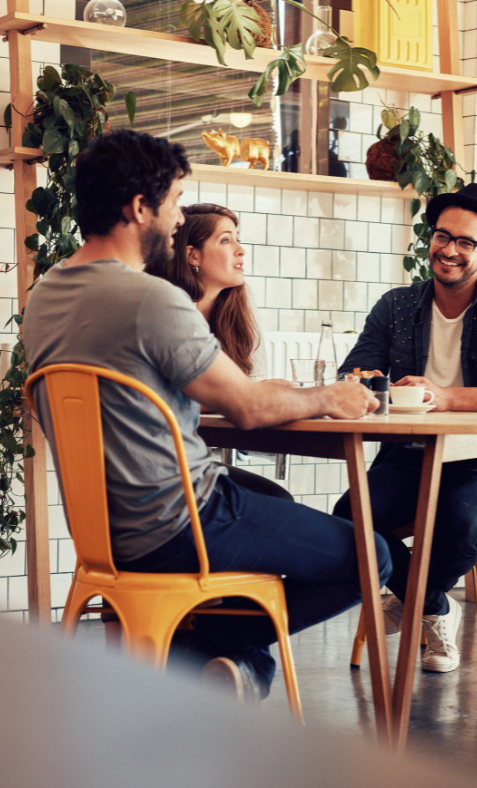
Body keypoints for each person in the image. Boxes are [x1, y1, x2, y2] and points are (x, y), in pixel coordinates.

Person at [23, 129, 391, 702]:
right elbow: (246, 409)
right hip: (181, 519)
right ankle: (203, 649)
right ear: (139, 208)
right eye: (171, 203)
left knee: (277, 504)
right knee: (374, 556)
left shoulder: (43, 298)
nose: (176, 220)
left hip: (105, 534)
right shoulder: (151, 299)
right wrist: (328, 397)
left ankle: (215, 659)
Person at [332, 183, 477, 673]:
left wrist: (444, 396)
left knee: (458, 522)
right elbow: (355, 374)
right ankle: (433, 606)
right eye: (441, 236)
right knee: (350, 512)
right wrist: (371, 383)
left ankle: (410, 601)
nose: (449, 250)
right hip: (411, 454)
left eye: (466, 242)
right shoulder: (397, 306)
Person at [146, 203, 293, 501]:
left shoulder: (239, 304)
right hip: (157, 466)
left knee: (276, 497)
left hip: (193, 458)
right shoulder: (159, 308)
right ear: (193, 255)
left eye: (238, 238)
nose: (241, 250)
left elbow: (251, 378)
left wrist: (251, 391)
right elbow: (156, 400)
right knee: (277, 501)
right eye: (226, 240)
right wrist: (242, 396)